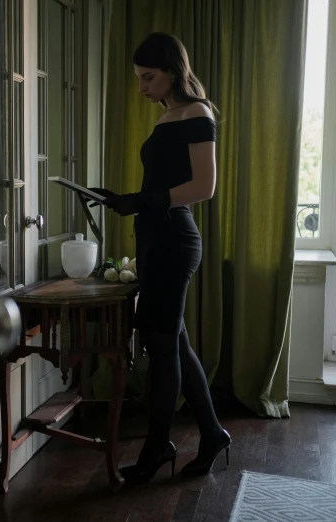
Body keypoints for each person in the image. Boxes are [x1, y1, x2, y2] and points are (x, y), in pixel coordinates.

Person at [90, 32, 230, 485]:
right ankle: (211, 434)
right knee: (172, 341)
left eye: (147, 76)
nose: (142, 86)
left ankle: (156, 447)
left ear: (172, 69)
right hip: (155, 240)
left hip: (175, 240)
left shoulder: (196, 112)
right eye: (137, 78)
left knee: (162, 343)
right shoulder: (170, 114)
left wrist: (144, 201)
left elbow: (204, 188)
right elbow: (161, 185)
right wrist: (126, 201)